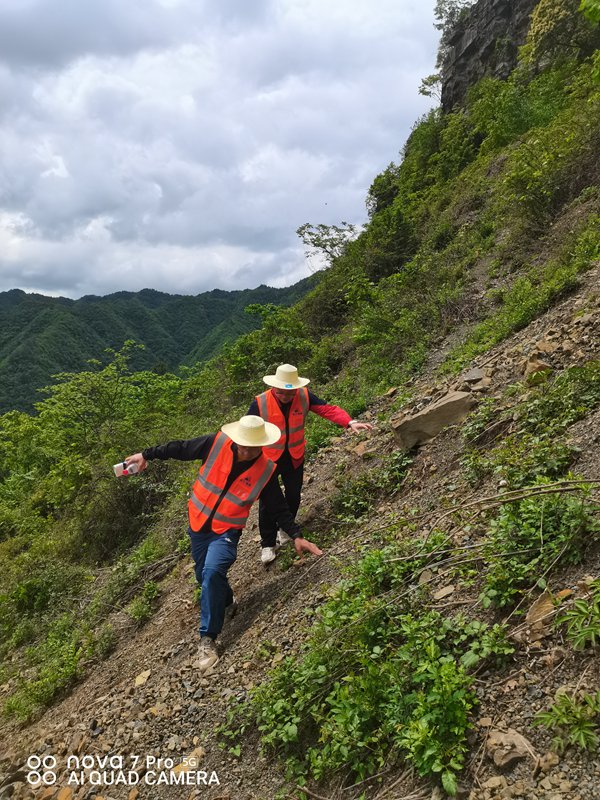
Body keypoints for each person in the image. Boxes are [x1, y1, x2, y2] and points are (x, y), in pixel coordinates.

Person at [124, 415, 323, 673]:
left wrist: (295, 535)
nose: (246, 450)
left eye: (253, 446)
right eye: (243, 444)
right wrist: (146, 455)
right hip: (198, 523)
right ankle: (227, 601)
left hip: (227, 530)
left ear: (262, 444)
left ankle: (208, 639)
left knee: (213, 572)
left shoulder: (265, 470)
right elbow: (180, 448)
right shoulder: (215, 443)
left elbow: (277, 506)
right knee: (203, 576)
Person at [247, 364, 373, 565]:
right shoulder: (260, 403)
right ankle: (268, 543)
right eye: (282, 392)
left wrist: (348, 422)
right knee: (268, 502)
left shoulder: (304, 396)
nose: (286, 396)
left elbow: (327, 409)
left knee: (294, 494)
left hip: (294, 455)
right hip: (268, 459)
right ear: (274, 388)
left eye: (290, 392)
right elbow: (247, 430)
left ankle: (285, 530)